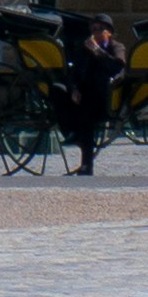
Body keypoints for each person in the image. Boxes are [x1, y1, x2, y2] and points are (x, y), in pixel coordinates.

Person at [56, 11, 129, 177]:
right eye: (94, 29)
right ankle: (70, 132)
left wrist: (97, 51)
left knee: (86, 113)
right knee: (57, 90)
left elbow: (117, 66)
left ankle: (86, 165)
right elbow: (72, 73)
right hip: (83, 94)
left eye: (100, 29)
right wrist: (73, 89)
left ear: (108, 32)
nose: (96, 33)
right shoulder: (84, 49)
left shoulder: (116, 47)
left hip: (104, 96)